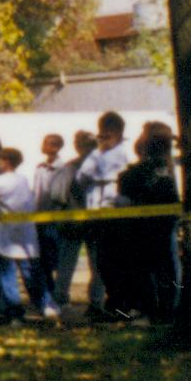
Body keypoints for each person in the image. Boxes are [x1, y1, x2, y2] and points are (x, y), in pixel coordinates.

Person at [109, 123, 182, 323]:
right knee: (159, 267)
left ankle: (157, 310)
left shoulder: (152, 169)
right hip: (153, 224)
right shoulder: (164, 168)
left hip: (152, 226)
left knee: (156, 268)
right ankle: (157, 309)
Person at [73, 116, 133, 320]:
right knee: (97, 262)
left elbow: (111, 176)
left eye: (107, 133)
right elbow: (81, 177)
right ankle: (97, 302)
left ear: (117, 133)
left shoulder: (123, 153)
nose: (103, 138)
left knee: (115, 262)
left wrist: (97, 171)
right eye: (101, 133)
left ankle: (120, 304)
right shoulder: (96, 154)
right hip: (94, 213)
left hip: (113, 215)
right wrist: (98, 155)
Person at [0, 147, 46, 321]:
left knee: (8, 274)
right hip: (26, 233)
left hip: (6, 234)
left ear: (7, 162)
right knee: (29, 272)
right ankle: (43, 305)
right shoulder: (24, 180)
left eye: (0, 159)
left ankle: (15, 311)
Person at [29, 134, 74, 318]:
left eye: (46, 143)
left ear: (55, 147)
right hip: (39, 220)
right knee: (43, 262)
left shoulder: (63, 169)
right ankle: (48, 298)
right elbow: (37, 194)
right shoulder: (39, 168)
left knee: (58, 261)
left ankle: (62, 297)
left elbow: (61, 195)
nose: (42, 145)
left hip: (55, 221)